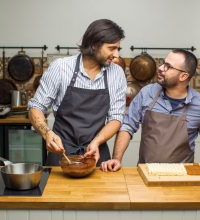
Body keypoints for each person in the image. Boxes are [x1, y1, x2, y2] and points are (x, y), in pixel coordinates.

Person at [28, 19, 127, 166]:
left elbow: (116, 118)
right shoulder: (61, 68)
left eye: (118, 49)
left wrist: (96, 142)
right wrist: (47, 133)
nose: (116, 55)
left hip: (96, 152)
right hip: (61, 152)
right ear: (94, 44)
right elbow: (35, 107)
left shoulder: (117, 73)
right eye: (111, 48)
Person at [101, 49, 200, 172]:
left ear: (183, 76)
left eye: (168, 66)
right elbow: (127, 126)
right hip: (146, 174)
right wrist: (117, 159)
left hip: (182, 178)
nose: (160, 68)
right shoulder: (147, 93)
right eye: (163, 63)